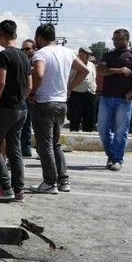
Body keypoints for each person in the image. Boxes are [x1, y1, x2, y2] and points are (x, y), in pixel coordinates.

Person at [29, 25, 89, 194]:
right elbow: (83, 70)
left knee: (45, 146)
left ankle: (49, 182)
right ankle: (63, 180)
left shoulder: (40, 54)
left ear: (40, 37)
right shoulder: (68, 52)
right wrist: (70, 88)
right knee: (55, 144)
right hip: (61, 103)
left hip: (44, 103)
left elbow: (39, 74)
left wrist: (33, 91)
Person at [0, 20, 31, 202]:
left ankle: (5, 187)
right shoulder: (25, 56)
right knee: (15, 149)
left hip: (5, 108)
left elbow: (0, 82)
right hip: (21, 108)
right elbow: (29, 85)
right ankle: (19, 190)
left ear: (2, 35)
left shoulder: (4, 55)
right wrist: (21, 100)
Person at [96, 29, 132, 171]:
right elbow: (100, 70)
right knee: (102, 129)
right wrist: (118, 70)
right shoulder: (109, 54)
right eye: (114, 38)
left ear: (127, 39)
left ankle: (117, 160)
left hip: (124, 100)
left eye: (119, 39)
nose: (115, 41)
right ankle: (111, 155)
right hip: (106, 98)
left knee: (121, 131)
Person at [67, 47, 97, 132]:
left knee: (90, 120)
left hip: (90, 94)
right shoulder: (73, 64)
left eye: (89, 54)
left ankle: (88, 140)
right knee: (75, 119)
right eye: (85, 54)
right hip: (76, 94)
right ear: (80, 54)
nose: (88, 56)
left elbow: (94, 78)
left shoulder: (91, 65)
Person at [20, 39, 36, 157]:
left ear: (33, 49)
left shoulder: (36, 60)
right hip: (25, 95)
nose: (25, 51)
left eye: (27, 49)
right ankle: (25, 149)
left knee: (37, 125)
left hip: (35, 95)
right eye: (23, 49)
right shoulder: (23, 60)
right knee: (25, 124)